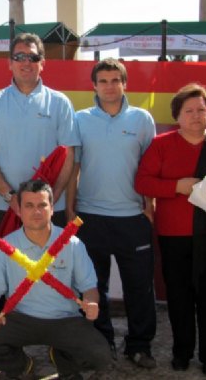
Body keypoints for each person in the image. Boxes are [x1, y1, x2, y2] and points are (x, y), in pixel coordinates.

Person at [134, 83, 206, 377]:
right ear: (177, 115)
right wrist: (176, 186)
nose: (195, 116)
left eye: (201, 110)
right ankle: (182, 352)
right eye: (188, 111)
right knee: (179, 296)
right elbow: (143, 182)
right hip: (173, 234)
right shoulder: (162, 144)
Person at [66, 57, 157, 368]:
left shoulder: (142, 120)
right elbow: (73, 168)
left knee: (140, 288)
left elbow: (149, 169)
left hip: (132, 218)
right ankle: (102, 343)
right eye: (103, 81)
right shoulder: (80, 119)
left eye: (115, 80)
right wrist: (69, 211)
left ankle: (140, 345)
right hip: (91, 217)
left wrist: (150, 208)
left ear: (124, 84)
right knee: (94, 287)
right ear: (93, 85)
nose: (109, 86)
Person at [0, 179, 112, 380]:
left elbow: (89, 287)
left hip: (65, 319)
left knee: (100, 356)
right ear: (19, 210)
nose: (36, 211)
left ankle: (63, 360)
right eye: (29, 206)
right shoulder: (5, 246)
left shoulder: (73, 244)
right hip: (20, 319)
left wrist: (91, 303)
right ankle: (21, 366)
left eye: (42, 205)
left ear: (52, 208)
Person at [0, 33, 78, 234]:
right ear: (9, 63)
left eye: (32, 57)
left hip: (47, 209)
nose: (26, 63)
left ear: (42, 63)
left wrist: (52, 198)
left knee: (50, 266)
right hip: (3, 207)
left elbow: (69, 156)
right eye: (19, 57)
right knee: (5, 265)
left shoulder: (60, 102)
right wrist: (11, 197)